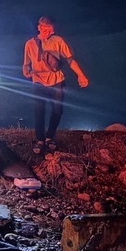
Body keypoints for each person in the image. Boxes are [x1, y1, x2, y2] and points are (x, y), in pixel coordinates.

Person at [22, 16, 89, 154]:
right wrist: (26, 71)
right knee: (39, 110)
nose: (46, 32)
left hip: (57, 80)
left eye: (49, 30)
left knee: (57, 110)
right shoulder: (30, 44)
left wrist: (81, 75)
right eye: (44, 28)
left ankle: (49, 137)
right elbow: (26, 64)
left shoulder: (58, 41)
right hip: (38, 80)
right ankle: (40, 140)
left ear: (53, 31)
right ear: (39, 27)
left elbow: (70, 60)